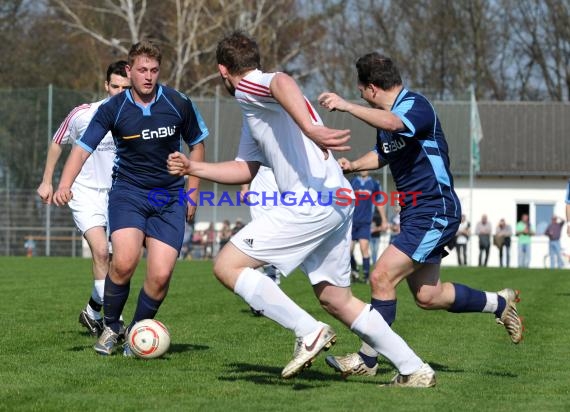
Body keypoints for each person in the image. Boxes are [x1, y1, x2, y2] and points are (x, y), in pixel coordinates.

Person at [168, 31, 435, 387]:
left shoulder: (251, 85)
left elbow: (281, 80)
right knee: (336, 299)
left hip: (313, 200)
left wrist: (311, 128)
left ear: (222, 70)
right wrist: (193, 168)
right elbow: (245, 168)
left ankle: (307, 331)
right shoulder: (257, 112)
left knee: (227, 265)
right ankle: (414, 369)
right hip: (337, 199)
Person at [318, 52, 523, 378]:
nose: (361, 98)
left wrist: (345, 106)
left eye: (360, 93)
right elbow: (383, 153)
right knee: (429, 295)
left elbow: (396, 124)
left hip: (435, 209)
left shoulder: (414, 106)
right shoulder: (384, 120)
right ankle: (499, 303)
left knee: (380, 276)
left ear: (372, 89)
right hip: (417, 212)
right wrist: (354, 166)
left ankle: (367, 361)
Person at [53, 40, 208, 356]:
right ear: (129, 70)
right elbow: (83, 149)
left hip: (169, 198)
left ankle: (137, 332)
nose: (148, 76)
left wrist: (193, 192)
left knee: (161, 275)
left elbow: (198, 144)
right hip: (129, 193)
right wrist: (64, 183)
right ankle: (111, 328)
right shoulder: (114, 108)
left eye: (154, 70)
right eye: (142, 70)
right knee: (123, 261)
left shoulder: (178, 102)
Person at [37, 60, 131, 337]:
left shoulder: (139, 117)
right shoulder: (83, 114)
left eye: (126, 87)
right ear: (106, 86)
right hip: (85, 193)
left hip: (120, 194)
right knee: (101, 251)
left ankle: (92, 312)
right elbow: (57, 141)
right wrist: (47, 181)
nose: (120, 92)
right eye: (115, 86)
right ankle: (116, 322)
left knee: (120, 261)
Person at [348, 171, 388, 283]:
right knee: (348, 250)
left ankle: (366, 276)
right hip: (352, 222)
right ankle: (354, 271)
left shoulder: (374, 184)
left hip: (365, 222)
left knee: (363, 247)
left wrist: (384, 219)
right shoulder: (353, 182)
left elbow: (379, 202)